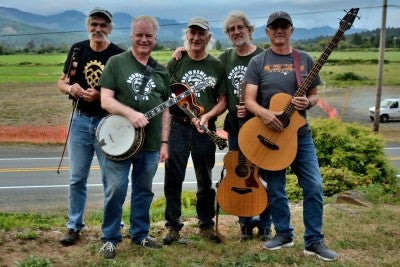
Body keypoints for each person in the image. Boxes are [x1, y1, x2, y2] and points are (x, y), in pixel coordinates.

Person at [242, 11, 338, 261]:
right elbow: (249, 101)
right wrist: (265, 114)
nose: (279, 31)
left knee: (314, 186)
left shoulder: (304, 59)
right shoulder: (258, 62)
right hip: (270, 134)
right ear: (267, 32)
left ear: (291, 30)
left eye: (284, 26)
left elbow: (315, 95)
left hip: (300, 134)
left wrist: (308, 101)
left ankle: (314, 241)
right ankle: (283, 233)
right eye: (274, 27)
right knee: (276, 188)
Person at [97, 16, 170, 259]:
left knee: (144, 190)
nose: (144, 39)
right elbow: (105, 100)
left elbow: (166, 108)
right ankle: (109, 237)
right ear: (131, 36)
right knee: (116, 189)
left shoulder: (161, 70)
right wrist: (131, 113)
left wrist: (164, 142)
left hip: (149, 144)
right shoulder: (116, 63)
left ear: (155, 38)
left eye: (148, 35)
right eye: (139, 34)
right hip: (119, 142)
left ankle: (140, 234)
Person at [56, 7, 123, 246]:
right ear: (88, 26)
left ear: (110, 29)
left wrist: (102, 98)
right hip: (80, 120)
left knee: (111, 179)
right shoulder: (77, 50)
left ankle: (114, 226)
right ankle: (74, 226)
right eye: (94, 24)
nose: (98, 29)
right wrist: (70, 88)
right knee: (76, 178)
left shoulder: (118, 55)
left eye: (103, 25)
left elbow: (124, 93)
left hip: (108, 123)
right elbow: (61, 81)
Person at [163, 17, 227, 245]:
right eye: (192, 33)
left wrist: (208, 116)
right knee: (173, 177)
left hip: (205, 129)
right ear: (187, 36)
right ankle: (172, 226)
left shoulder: (216, 65)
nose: (196, 38)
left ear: (209, 37)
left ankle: (206, 224)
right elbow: (165, 91)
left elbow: (223, 99)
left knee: (205, 177)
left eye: (201, 34)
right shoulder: (176, 62)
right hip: (178, 127)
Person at [218, 11, 272, 242]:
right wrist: (180, 52)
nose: (236, 32)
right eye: (231, 29)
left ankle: (266, 224)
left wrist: (254, 107)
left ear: (249, 30)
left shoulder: (264, 56)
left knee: (264, 175)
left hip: (261, 126)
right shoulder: (224, 58)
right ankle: (245, 225)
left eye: (240, 27)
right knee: (241, 174)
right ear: (228, 34)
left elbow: (272, 91)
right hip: (235, 125)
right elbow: (202, 62)